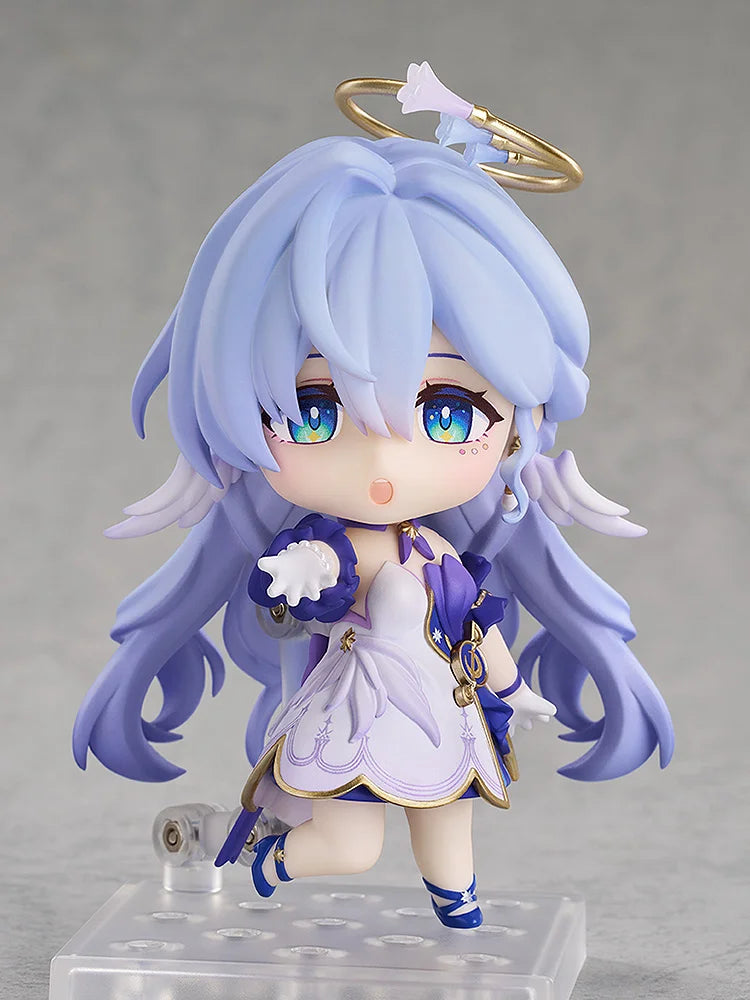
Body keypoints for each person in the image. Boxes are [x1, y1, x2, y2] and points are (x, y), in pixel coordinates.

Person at [73, 64, 674, 929]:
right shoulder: (337, 546)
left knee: (449, 816)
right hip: (353, 719)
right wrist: (301, 574)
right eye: (313, 412)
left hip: (443, 717)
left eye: (448, 410)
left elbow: (471, 629)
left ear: (519, 421)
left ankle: (456, 899)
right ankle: (277, 859)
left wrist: (515, 690)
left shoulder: (442, 555)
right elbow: (307, 583)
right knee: (352, 843)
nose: (384, 459)